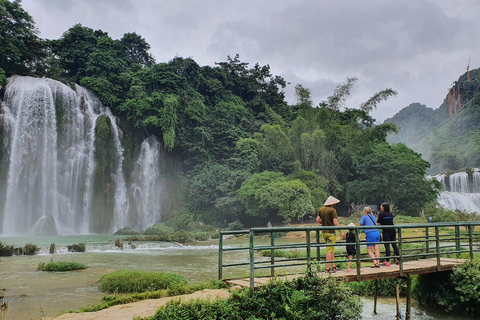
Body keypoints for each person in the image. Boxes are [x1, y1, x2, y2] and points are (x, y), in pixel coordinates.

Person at [316, 196, 345, 273]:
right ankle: (327, 268)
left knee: (331, 249)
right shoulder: (332, 210)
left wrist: (324, 223)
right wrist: (341, 231)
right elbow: (335, 222)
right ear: (332, 204)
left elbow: (318, 220)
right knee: (330, 250)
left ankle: (334, 266)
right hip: (331, 233)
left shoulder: (321, 209)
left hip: (324, 232)